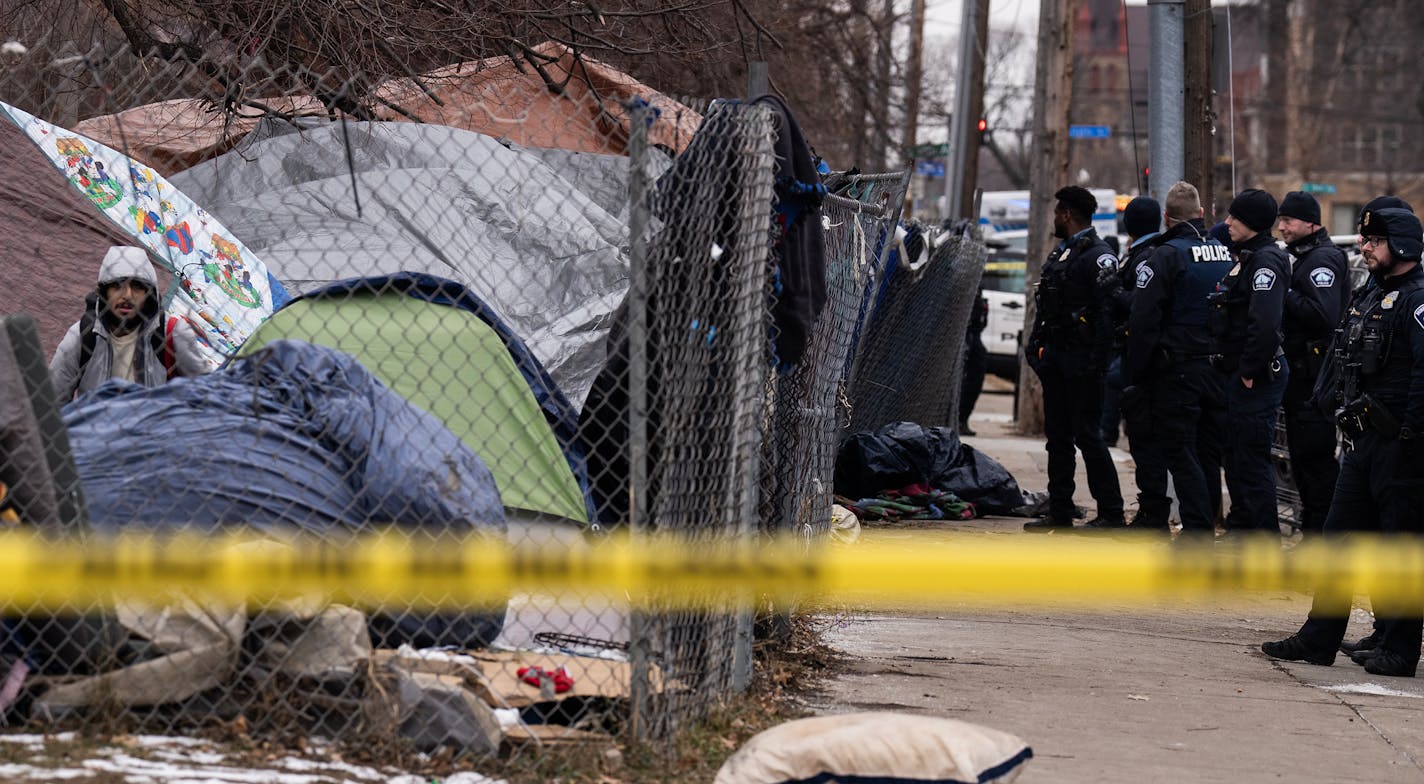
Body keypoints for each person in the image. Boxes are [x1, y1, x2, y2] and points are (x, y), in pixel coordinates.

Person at [1261, 204, 1424, 677]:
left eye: (1375, 241)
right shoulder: (1374, 293)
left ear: (1403, 246)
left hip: (1402, 446)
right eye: (1365, 240)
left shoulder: (1416, 301)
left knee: (1399, 549)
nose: (1366, 248)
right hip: (1363, 442)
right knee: (1338, 541)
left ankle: (1398, 650)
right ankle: (1319, 638)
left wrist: (1411, 435)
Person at [1118, 182, 1233, 540]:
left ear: (1166, 218)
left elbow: (1143, 318)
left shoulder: (1165, 256)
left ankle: (1197, 532)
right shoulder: (1223, 253)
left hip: (1179, 370)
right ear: (1201, 214)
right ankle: (1206, 524)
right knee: (1207, 453)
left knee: (1181, 453)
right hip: (1218, 369)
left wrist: (1136, 374)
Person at [1023, 186, 1125, 531]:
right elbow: (1048, 303)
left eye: (1057, 212)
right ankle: (1061, 510)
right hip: (1057, 359)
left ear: (1067, 214)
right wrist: (1036, 346)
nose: (1054, 218)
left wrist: (1097, 364)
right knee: (1059, 439)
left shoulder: (1097, 254)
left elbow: (1106, 314)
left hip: (1083, 363)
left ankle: (1111, 511)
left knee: (1088, 436)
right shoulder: (1063, 253)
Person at [1208, 188, 1291, 534]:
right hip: (1239, 375)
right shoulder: (1248, 256)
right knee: (1237, 460)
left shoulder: (1265, 262)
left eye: (1235, 218)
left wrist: (1247, 371)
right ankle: (1242, 532)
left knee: (1253, 464)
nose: (1227, 223)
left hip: (1255, 379)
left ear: (1253, 224)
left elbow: (1265, 324)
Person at [1275, 191, 1350, 536]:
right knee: (1303, 466)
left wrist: (1285, 291)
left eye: (1288, 220)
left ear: (1310, 222)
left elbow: (1323, 315)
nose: (1282, 227)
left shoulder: (1321, 260)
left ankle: (1323, 544)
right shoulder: (1301, 256)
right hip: (1301, 381)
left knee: (1316, 467)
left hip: (1314, 383)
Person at [49, 246, 206, 400]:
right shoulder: (82, 336)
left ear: (148, 295)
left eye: (137, 286)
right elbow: (51, 401)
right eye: (117, 286)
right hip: (95, 423)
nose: (127, 295)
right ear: (105, 292)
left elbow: (207, 393)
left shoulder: (172, 333)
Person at [1100, 196, 1162, 449]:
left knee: (1143, 436)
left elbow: (1139, 305)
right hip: (1128, 350)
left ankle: (1109, 432)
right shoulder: (1139, 253)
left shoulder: (1146, 256)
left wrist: (1115, 290)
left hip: (1136, 354)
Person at [959, 289, 988, 436]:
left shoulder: (977, 288)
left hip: (973, 335)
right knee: (965, 380)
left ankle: (961, 419)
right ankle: (958, 418)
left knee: (975, 378)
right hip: (965, 335)